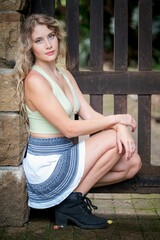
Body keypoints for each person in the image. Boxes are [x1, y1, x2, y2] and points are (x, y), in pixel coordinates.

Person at [14, 14, 142, 229]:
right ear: (30, 47)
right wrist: (117, 121)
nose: (48, 44)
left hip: (64, 157)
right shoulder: (35, 80)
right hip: (47, 168)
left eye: (51, 36)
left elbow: (90, 115)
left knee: (132, 164)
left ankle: (69, 200)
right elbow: (69, 128)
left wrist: (120, 127)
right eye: (39, 40)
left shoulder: (64, 75)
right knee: (112, 139)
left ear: (58, 37)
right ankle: (71, 204)